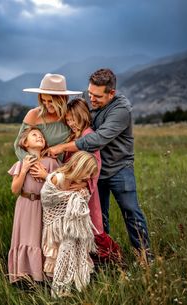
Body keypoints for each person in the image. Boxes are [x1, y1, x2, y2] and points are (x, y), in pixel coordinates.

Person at [46, 68, 152, 263]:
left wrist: (62, 147)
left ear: (111, 93)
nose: (91, 99)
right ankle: (103, 259)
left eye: (97, 96)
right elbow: (72, 115)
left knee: (131, 212)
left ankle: (146, 259)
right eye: (90, 93)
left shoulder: (121, 110)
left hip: (120, 168)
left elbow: (97, 139)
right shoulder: (89, 98)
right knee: (97, 218)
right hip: (94, 170)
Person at [64, 98, 121, 262]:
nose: (70, 123)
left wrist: (84, 184)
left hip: (85, 190)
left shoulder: (88, 135)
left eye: (73, 119)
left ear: (82, 116)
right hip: (71, 189)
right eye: (67, 119)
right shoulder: (72, 135)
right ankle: (85, 261)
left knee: (93, 227)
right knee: (77, 227)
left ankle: (113, 258)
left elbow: (95, 164)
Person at [40, 151, 98, 297]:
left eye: (90, 174)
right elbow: (47, 199)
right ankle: (58, 287)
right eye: (87, 172)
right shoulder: (57, 178)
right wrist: (72, 196)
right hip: (56, 224)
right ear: (78, 167)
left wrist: (80, 193)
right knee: (58, 253)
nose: (88, 177)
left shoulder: (80, 183)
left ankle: (73, 283)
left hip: (72, 224)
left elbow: (83, 199)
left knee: (72, 248)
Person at [7, 127, 59, 284]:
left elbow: (59, 185)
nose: (39, 137)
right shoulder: (21, 164)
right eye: (34, 135)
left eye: (42, 136)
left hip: (44, 206)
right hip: (25, 206)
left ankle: (43, 277)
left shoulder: (51, 162)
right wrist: (24, 170)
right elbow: (15, 190)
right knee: (26, 238)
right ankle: (24, 276)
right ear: (24, 142)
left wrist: (46, 176)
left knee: (41, 239)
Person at [14, 73, 82, 163]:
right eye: (43, 100)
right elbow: (19, 145)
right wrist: (34, 164)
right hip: (37, 168)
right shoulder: (34, 115)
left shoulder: (69, 116)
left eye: (50, 101)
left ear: (62, 99)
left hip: (64, 169)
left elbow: (81, 139)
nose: (46, 105)